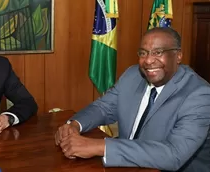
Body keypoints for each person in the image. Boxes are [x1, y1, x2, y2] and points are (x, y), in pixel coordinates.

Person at [55, 27, 210, 172]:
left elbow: (174, 154)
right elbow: (104, 108)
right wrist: (74, 125)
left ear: (178, 56)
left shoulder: (199, 95)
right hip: (128, 165)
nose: (148, 61)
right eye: (143, 53)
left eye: (158, 52)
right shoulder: (132, 75)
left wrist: (101, 146)